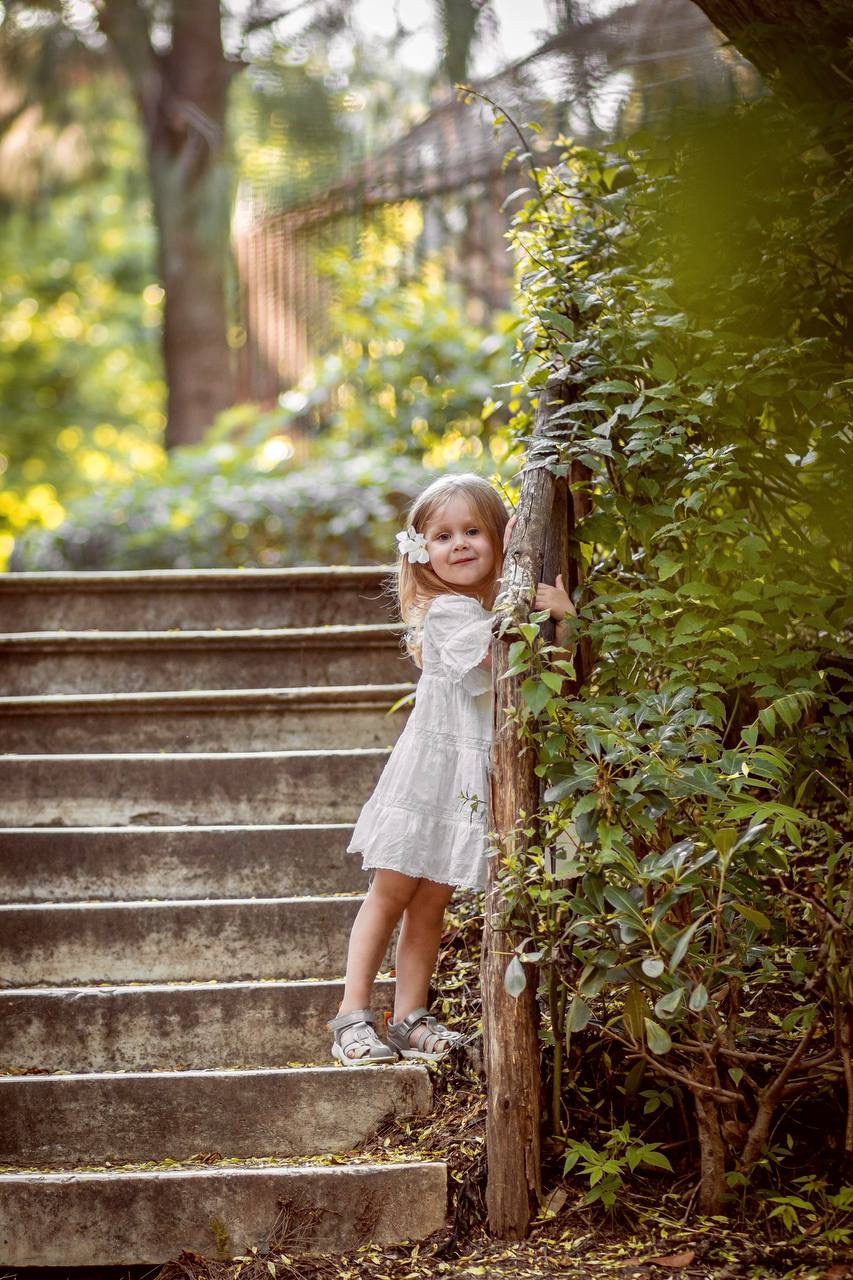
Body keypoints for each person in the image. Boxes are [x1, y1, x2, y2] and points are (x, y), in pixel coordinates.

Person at [328, 473, 575, 1065]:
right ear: (423, 554)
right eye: (443, 535)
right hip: (429, 772)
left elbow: (551, 679)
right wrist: (525, 588)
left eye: (474, 531)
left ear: (496, 540)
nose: (459, 544)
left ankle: (410, 1016)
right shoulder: (447, 612)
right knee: (390, 892)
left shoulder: (489, 607)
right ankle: (350, 1016)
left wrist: (563, 618)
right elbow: (503, 654)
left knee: (432, 901)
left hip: (468, 776)